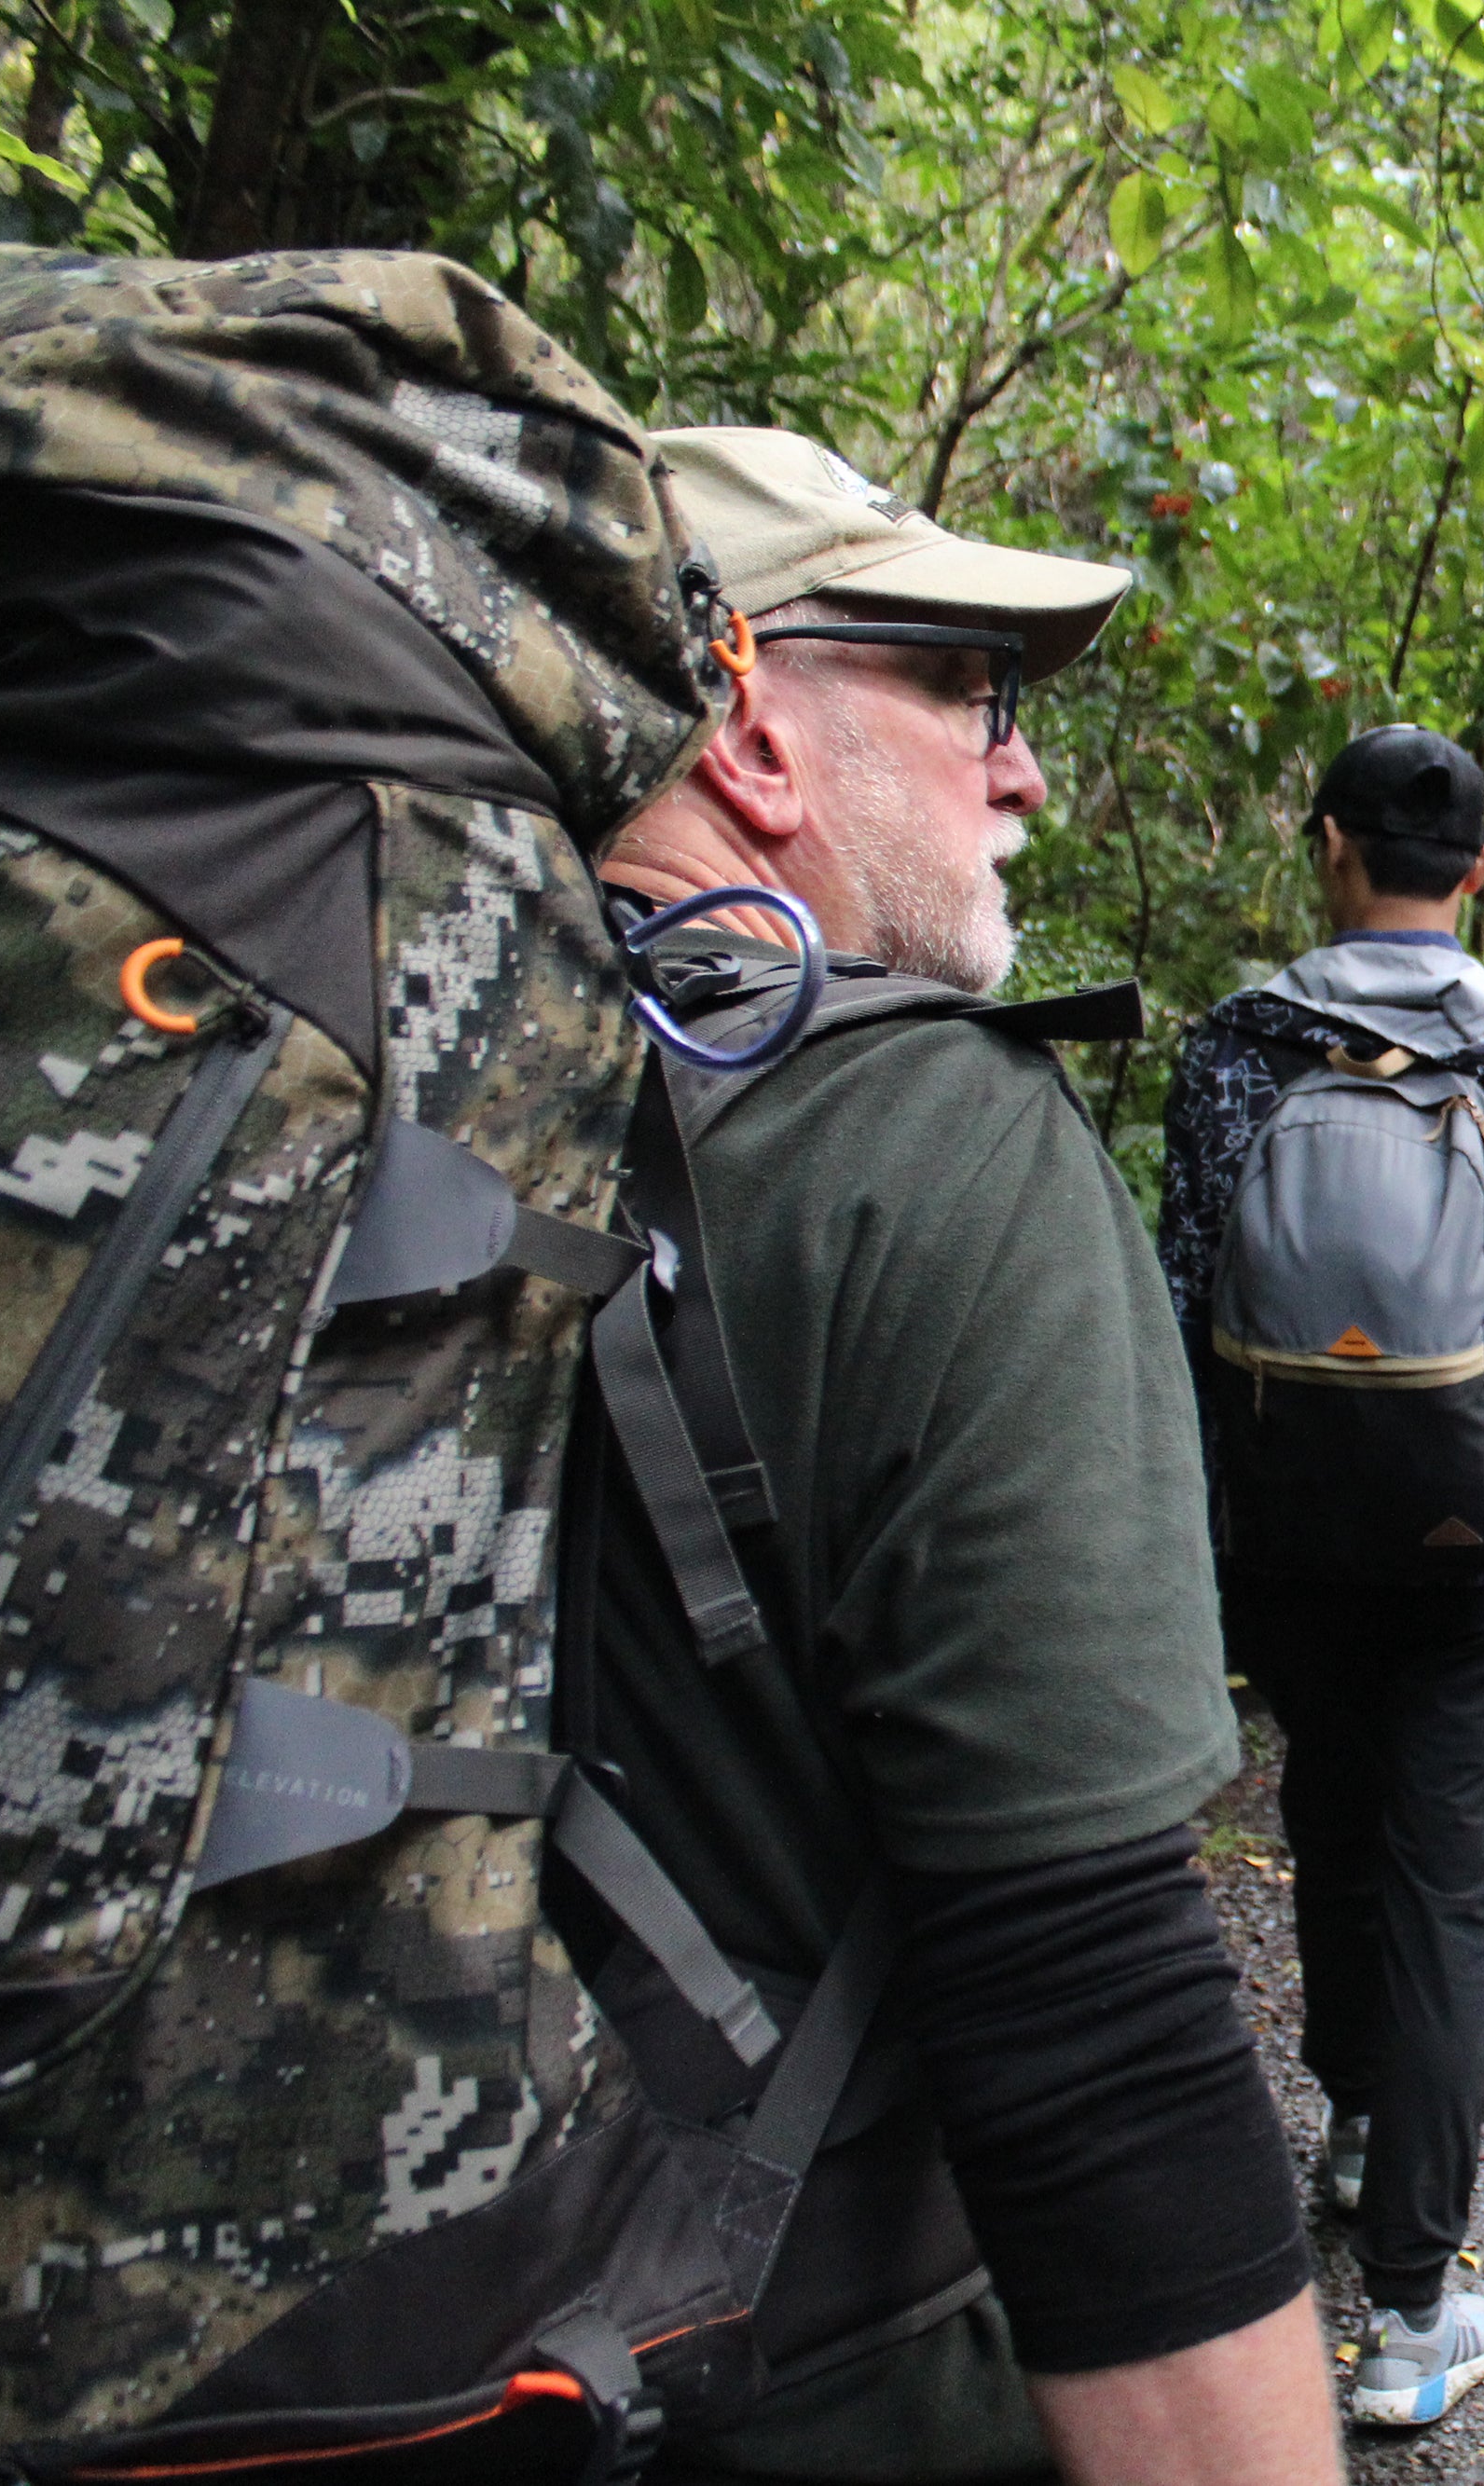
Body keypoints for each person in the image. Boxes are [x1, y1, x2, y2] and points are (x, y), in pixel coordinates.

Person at [588, 426, 1338, 2483]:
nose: (1022, 772)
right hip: (766, 2390)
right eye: (965, 691)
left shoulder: (306, 1092)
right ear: (747, 717)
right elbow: (1090, 2016)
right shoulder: (917, 1139)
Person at [1159, 727, 1484, 2430]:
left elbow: (1181, 1293)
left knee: (1331, 1806)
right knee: (1450, 1884)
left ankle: (1362, 2120)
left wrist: (1200, 1510)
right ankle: (1410, 2311)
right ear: (1478, 870)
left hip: (1289, 1529)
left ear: (1327, 847)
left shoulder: (1238, 1048)